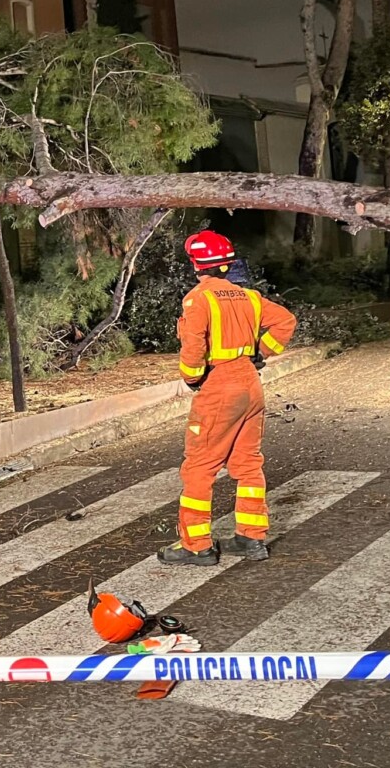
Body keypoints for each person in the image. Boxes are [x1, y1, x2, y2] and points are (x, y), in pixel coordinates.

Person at [157, 231, 297, 567]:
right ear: (227, 264)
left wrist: (193, 377)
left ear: (196, 265)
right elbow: (286, 322)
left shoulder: (198, 299)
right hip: (251, 385)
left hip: (220, 387)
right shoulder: (248, 297)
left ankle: (196, 546)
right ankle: (251, 538)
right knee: (248, 464)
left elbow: (193, 349)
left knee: (199, 468)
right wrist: (260, 355)